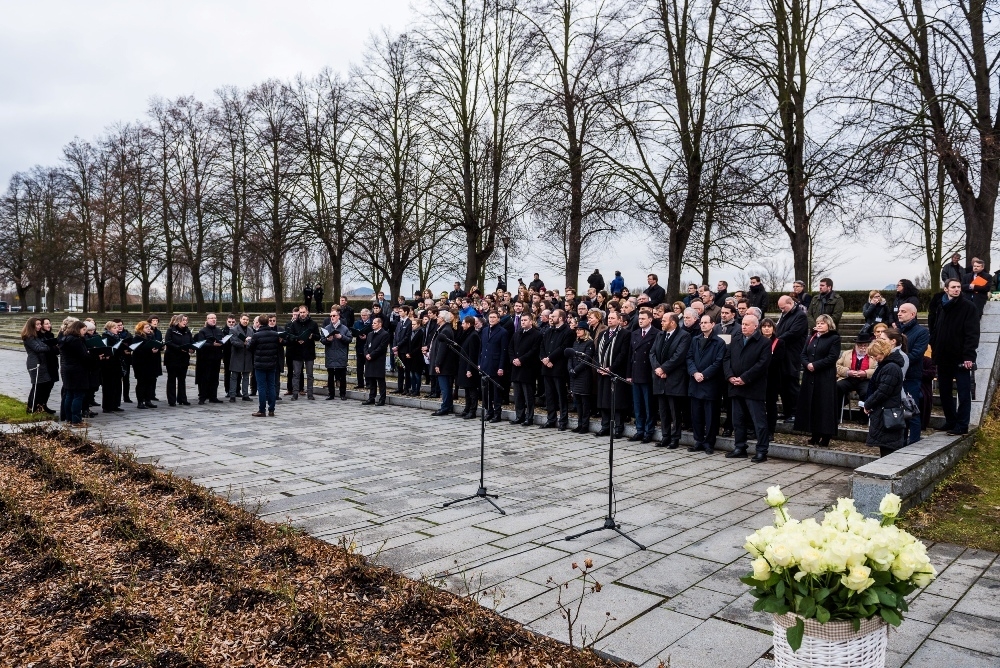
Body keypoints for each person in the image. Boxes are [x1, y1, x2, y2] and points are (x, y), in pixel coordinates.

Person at [931, 279, 980, 435]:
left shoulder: (968, 307)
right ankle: (951, 421)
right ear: (946, 289)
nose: (957, 289)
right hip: (943, 356)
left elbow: (972, 334)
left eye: (958, 287)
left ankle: (962, 425)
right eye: (953, 287)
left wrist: (969, 356)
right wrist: (935, 348)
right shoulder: (941, 305)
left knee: (964, 392)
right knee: (944, 391)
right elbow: (936, 329)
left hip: (960, 358)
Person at [723, 314, 772, 463]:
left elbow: (762, 364)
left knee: (759, 422)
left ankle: (761, 451)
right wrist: (730, 376)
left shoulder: (764, 342)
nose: (743, 326)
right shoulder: (735, 339)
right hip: (735, 386)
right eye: (743, 324)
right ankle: (740, 447)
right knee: (737, 420)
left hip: (753, 387)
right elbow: (726, 359)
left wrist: (744, 378)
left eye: (747, 324)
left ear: (755, 326)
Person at [795, 314, 841, 447]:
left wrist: (815, 365)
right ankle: (814, 434)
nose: (819, 325)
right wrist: (807, 364)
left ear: (829, 325)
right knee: (812, 404)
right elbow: (803, 354)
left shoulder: (834, 338)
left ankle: (826, 436)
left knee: (824, 406)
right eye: (818, 323)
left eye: (822, 323)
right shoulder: (811, 337)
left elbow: (832, 357)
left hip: (825, 377)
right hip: (810, 376)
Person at [687, 314, 726, 454]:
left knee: (711, 416)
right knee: (696, 415)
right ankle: (698, 441)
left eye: (706, 322)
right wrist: (694, 373)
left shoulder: (719, 342)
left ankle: (709, 443)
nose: (703, 325)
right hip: (695, 382)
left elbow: (718, 362)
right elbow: (689, 358)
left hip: (710, 384)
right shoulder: (695, 340)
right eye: (701, 323)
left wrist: (704, 374)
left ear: (713, 324)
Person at [650, 312, 691, 449]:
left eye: (664, 320)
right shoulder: (660, 335)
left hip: (674, 378)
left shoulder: (684, 336)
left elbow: (679, 356)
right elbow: (652, 353)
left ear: (672, 322)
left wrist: (664, 369)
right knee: (663, 410)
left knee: (674, 411)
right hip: (659, 378)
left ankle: (675, 438)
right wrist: (658, 369)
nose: (661, 322)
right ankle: (665, 436)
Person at [863, 339, 907, 457]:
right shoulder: (888, 366)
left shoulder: (890, 367)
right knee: (886, 446)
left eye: (875, 355)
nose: (874, 358)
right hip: (885, 409)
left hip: (887, 410)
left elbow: (883, 391)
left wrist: (868, 403)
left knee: (888, 448)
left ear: (883, 352)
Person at [896, 303, 929, 443]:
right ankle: (900, 441)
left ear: (912, 314)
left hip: (911, 377)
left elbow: (916, 353)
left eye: (903, 311)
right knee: (899, 411)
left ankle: (914, 441)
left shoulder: (922, 332)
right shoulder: (897, 331)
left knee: (912, 410)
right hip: (898, 376)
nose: (899, 313)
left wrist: (897, 361)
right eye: (899, 311)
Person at [594, 310, 630, 437]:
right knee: (603, 401)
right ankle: (605, 426)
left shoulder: (625, 334)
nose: (609, 320)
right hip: (602, 372)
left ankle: (618, 428)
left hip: (616, 372)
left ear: (619, 320)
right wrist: (599, 366)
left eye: (613, 318)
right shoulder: (603, 334)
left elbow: (623, 354)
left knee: (616, 401)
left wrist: (611, 368)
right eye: (608, 318)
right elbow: (597, 352)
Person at [539, 309, 575, 430]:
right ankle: (551, 419)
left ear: (560, 318)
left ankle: (563, 420)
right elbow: (542, 346)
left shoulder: (568, 332)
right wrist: (544, 359)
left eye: (553, 316)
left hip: (559, 367)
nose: (551, 317)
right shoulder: (549, 331)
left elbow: (563, 348)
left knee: (561, 395)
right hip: (547, 367)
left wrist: (550, 358)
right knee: (549, 395)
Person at [774, 296, 807, 423]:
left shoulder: (800, 316)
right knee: (783, 384)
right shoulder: (785, 314)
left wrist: (776, 340)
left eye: (783, 307)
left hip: (792, 354)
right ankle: (787, 411)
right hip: (783, 353)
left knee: (792, 384)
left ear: (790, 303)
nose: (781, 310)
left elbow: (794, 333)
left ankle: (795, 412)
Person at [509, 313, 543, 426]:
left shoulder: (537, 334)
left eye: (525, 320)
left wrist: (521, 360)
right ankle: (519, 416)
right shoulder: (517, 333)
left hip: (528, 368)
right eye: (522, 320)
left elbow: (534, 351)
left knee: (528, 395)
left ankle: (529, 417)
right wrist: (513, 359)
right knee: (518, 395)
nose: (523, 322)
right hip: (516, 368)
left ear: (531, 321)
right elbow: (510, 348)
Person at [835, 332, 876, 424]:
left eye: (865, 345)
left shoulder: (873, 355)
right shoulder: (846, 353)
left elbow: (876, 369)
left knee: (867, 391)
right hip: (849, 378)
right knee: (837, 386)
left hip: (865, 380)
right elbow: (837, 366)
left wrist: (865, 373)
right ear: (856, 345)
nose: (863, 348)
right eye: (860, 345)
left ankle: (863, 416)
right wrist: (848, 372)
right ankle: (836, 414)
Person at [60, 320, 93, 428]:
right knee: (78, 395)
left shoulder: (65, 338)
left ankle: (69, 419)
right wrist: (93, 356)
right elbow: (83, 356)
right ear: (78, 329)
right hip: (78, 370)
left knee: (69, 394)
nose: (85, 332)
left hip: (68, 369)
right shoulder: (76, 340)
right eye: (83, 330)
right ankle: (76, 420)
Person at [479, 311, 509, 422]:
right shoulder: (485, 330)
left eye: (494, 317)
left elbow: (503, 351)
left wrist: (501, 367)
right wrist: (480, 362)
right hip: (485, 363)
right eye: (490, 317)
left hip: (495, 365)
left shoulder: (503, 332)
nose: (491, 319)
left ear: (498, 319)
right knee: (486, 391)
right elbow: (482, 348)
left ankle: (497, 413)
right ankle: (489, 411)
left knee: (496, 392)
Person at [249, 314, 281, 417]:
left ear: (259, 323)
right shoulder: (275, 334)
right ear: (268, 322)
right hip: (272, 363)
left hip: (260, 364)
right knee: (271, 386)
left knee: (261, 387)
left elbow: (250, 348)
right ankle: (271, 409)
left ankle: (262, 410)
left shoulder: (256, 335)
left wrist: (248, 341)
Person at [22, 317, 55, 414]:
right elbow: (38, 348)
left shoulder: (36, 336)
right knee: (37, 386)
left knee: (43, 385)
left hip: (42, 363)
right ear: (32, 326)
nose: (40, 326)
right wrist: (49, 347)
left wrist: (47, 346)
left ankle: (39, 406)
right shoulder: (29, 337)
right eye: (37, 324)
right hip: (35, 363)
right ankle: (31, 408)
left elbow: (43, 345)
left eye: (40, 324)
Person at [567, 323, 597, 432]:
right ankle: (579, 424)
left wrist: (576, 370)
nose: (577, 331)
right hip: (574, 375)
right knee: (577, 401)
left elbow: (586, 360)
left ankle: (585, 425)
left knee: (585, 402)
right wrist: (570, 368)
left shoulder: (589, 343)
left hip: (583, 375)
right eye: (577, 329)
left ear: (585, 331)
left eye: (580, 329)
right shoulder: (575, 342)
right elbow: (570, 357)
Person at [320, 306, 353, 400]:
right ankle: (331, 394)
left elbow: (350, 339)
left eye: (334, 316)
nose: (332, 317)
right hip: (330, 355)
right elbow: (322, 340)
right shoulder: (327, 328)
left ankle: (343, 394)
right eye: (331, 316)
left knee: (342, 376)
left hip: (341, 355)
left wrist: (341, 337)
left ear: (338, 316)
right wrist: (328, 340)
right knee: (330, 376)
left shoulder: (344, 328)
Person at [759, 318, 784, 437]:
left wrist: (762, 362)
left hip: (772, 378)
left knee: (771, 405)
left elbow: (778, 360)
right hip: (758, 378)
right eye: (764, 326)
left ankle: (770, 430)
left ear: (773, 329)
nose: (766, 329)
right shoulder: (757, 341)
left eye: (769, 326)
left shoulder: (779, 342)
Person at [429, 311, 458, 414]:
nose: (437, 318)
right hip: (445, 364)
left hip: (445, 364)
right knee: (446, 387)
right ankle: (448, 406)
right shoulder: (443, 329)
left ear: (443, 319)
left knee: (445, 387)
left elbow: (442, 349)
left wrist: (438, 363)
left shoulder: (445, 330)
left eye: (439, 317)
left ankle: (445, 407)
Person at [194, 314, 226, 404]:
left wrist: (222, 343)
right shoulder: (203, 331)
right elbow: (201, 344)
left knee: (215, 378)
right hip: (206, 359)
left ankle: (213, 396)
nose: (213, 320)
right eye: (211, 318)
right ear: (207, 320)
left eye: (215, 318)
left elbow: (223, 341)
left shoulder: (219, 330)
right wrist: (212, 344)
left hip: (216, 358)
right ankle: (202, 397)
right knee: (205, 378)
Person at [164, 315, 195, 406]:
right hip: (172, 358)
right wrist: (179, 348)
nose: (185, 322)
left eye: (186, 320)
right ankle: (172, 400)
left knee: (182, 379)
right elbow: (168, 342)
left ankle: (182, 398)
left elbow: (191, 342)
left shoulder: (187, 331)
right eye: (183, 320)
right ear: (178, 321)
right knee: (172, 379)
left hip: (183, 358)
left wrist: (192, 349)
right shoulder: (171, 330)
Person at [131, 321, 162, 409]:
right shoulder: (137, 338)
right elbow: (137, 350)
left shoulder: (151, 336)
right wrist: (149, 351)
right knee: (141, 382)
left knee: (150, 381)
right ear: (141, 329)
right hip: (140, 363)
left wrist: (158, 348)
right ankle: (140, 402)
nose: (149, 329)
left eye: (149, 327)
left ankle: (148, 400)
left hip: (150, 362)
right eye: (146, 327)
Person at [457, 315, 482, 419]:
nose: (462, 325)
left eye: (463, 323)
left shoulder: (473, 335)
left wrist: (469, 369)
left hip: (470, 367)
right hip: (464, 366)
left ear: (468, 324)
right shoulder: (467, 334)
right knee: (467, 390)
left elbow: (473, 354)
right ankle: (466, 409)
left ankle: (472, 410)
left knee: (472, 390)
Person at [226, 313, 254, 402]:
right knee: (234, 376)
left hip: (247, 356)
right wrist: (244, 343)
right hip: (237, 356)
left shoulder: (250, 330)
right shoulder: (234, 330)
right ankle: (232, 395)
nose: (245, 321)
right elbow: (233, 342)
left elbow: (253, 341)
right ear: (240, 319)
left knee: (246, 376)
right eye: (244, 319)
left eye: (247, 320)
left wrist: (249, 343)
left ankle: (245, 395)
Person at [392, 306, 413, 394]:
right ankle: (399, 387)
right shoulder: (399, 323)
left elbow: (407, 337)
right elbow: (396, 336)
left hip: (405, 349)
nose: (399, 312)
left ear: (406, 312)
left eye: (401, 311)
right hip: (398, 350)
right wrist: (394, 347)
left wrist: (398, 346)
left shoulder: (409, 323)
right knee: (400, 369)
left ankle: (406, 388)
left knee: (406, 370)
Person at [352, 308, 373, 390]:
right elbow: (353, 332)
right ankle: (360, 383)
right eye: (362, 315)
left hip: (368, 347)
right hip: (359, 346)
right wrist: (357, 334)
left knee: (368, 366)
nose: (363, 317)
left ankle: (368, 383)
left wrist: (366, 336)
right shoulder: (357, 323)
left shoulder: (371, 323)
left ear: (368, 315)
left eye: (365, 315)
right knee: (359, 367)